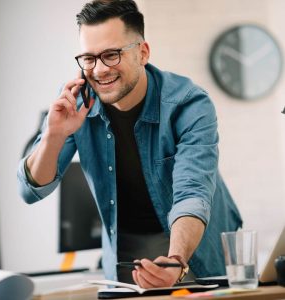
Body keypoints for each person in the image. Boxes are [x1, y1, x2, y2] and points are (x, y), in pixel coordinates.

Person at [17, 0, 242, 288]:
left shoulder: (188, 104)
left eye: (111, 55)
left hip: (195, 244)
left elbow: (192, 193)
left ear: (143, 53)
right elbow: (28, 190)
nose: (98, 70)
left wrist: (175, 260)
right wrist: (54, 135)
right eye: (88, 58)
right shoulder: (74, 102)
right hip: (128, 252)